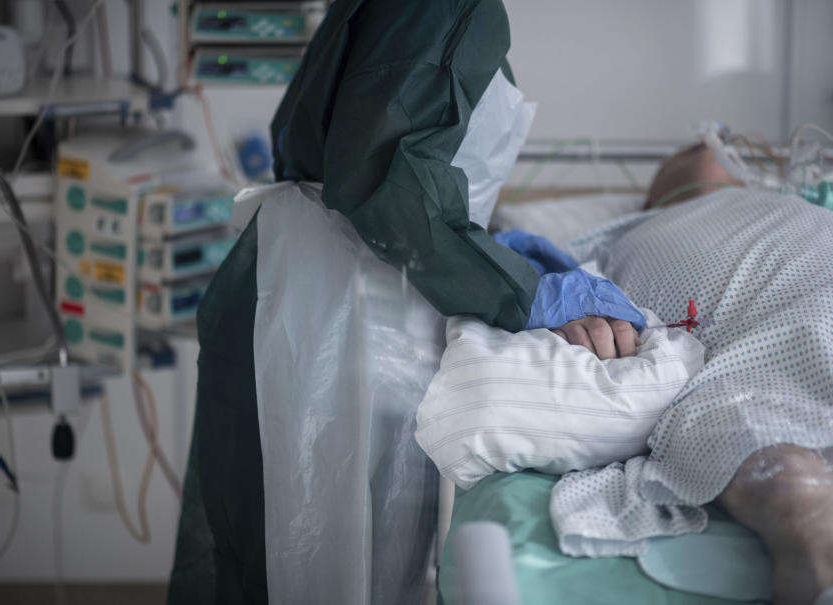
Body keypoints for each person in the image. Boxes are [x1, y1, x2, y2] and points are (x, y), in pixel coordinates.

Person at [167, 1, 645, 603]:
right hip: (339, 321)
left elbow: (385, 161)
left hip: (301, 293)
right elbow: (391, 187)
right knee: (314, 566)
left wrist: (490, 249)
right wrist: (523, 290)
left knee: (267, 561)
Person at [547, 141, 833, 605]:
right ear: (654, 192)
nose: (707, 146)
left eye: (720, 143)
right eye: (686, 148)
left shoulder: (808, 210)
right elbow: (526, 290)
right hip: (740, 376)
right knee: (797, 488)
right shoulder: (606, 240)